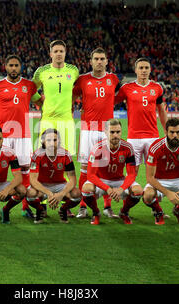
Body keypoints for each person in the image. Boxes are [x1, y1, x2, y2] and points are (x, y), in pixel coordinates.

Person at [0, 54, 40, 219]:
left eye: (16, 65)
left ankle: (24, 207)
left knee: (24, 171)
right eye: (11, 65)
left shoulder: (29, 86)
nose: (13, 68)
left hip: (23, 136)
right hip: (2, 136)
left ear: (20, 67)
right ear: (6, 67)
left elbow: (40, 101)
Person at [32, 40, 80, 215]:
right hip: (47, 121)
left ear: (65, 53)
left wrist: (71, 103)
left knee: (65, 162)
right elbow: (31, 89)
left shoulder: (73, 71)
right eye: (56, 51)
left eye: (61, 51)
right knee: (44, 161)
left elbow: (77, 91)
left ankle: (64, 203)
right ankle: (42, 202)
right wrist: (39, 102)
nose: (59, 54)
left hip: (67, 121)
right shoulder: (42, 71)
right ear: (50, 53)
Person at [72, 47, 121, 219]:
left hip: (107, 129)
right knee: (85, 169)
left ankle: (107, 208)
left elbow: (121, 96)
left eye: (102, 59)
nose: (99, 62)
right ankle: (83, 207)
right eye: (96, 59)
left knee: (106, 169)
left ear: (107, 61)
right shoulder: (83, 80)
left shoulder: (113, 79)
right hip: (88, 129)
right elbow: (71, 97)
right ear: (91, 61)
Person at [81, 119, 142, 225]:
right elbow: (91, 175)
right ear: (105, 132)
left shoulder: (128, 148)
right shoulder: (98, 148)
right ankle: (96, 213)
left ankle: (124, 212)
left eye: (118, 132)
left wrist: (121, 189)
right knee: (86, 189)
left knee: (138, 191)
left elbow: (131, 174)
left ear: (121, 132)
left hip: (119, 181)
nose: (115, 135)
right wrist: (108, 189)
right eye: (112, 132)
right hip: (101, 181)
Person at [26, 128, 81, 224]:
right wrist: (49, 193)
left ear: (59, 141)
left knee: (77, 194)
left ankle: (63, 210)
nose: (52, 143)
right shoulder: (37, 155)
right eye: (48, 140)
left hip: (60, 184)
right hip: (42, 185)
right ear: (43, 141)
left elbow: (72, 179)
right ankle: (40, 210)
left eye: (55, 140)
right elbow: (33, 180)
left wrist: (61, 194)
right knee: (30, 193)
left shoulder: (65, 154)